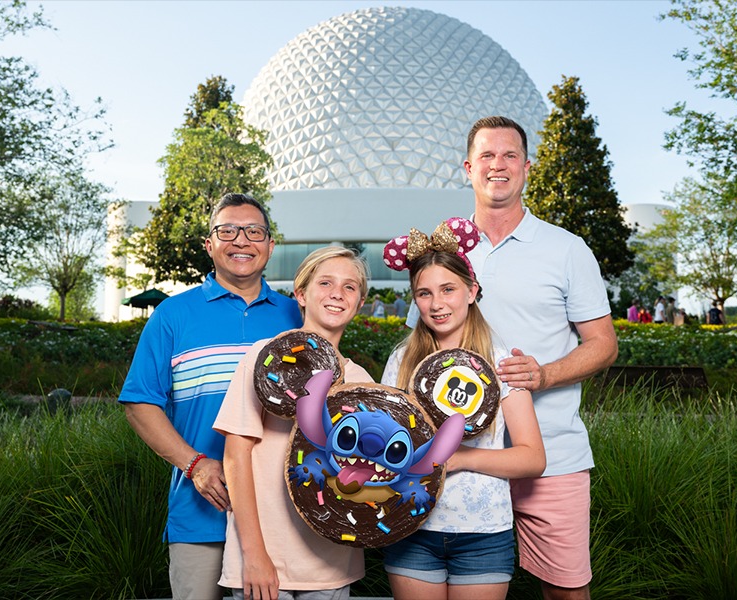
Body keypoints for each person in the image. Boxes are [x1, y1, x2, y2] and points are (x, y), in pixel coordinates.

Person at [462, 116, 618, 600]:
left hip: (553, 454)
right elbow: (420, 346)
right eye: (487, 155)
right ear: (468, 168)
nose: (498, 165)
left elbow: (604, 344)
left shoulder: (567, 250)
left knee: (567, 592)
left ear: (527, 167)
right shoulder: (445, 250)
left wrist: (544, 374)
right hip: (465, 456)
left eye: (510, 155)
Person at [119, 193, 302, 600]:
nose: (241, 241)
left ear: (270, 246)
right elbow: (139, 403)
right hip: (202, 513)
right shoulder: (173, 314)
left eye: (254, 231)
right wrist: (195, 464)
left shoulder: (295, 317)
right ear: (209, 244)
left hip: (280, 518)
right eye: (228, 230)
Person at [380, 229, 546, 600]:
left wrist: (460, 458)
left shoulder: (501, 361)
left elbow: (533, 458)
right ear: (415, 300)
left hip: (483, 533)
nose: (437, 303)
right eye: (425, 293)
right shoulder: (401, 361)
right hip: (412, 528)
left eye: (448, 289)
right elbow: (386, 445)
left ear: (471, 292)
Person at [213, 246, 372, 600]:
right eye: (325, 282)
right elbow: (236, 456)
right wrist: (253, 555)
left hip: (330, 566)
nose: (337, 294)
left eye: (350, 287)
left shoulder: (361, 381)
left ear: (360, 303)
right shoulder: (265, 358)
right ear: (301, 294)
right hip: (261, 565)